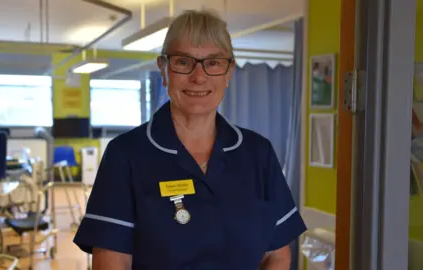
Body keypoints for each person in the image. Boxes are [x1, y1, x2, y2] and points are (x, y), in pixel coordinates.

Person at [74, 9, 307, 270]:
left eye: (214, 62)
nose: (199, 76)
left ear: (229, 72)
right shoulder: (125, 155)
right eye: (184, 62)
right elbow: (112, 261)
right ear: (163, 70)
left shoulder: (258, 152)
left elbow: (277, 254)